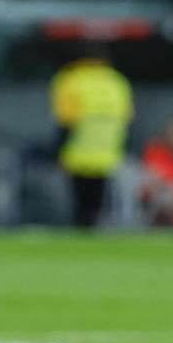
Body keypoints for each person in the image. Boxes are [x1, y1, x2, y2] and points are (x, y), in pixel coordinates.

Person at [50, 53, 134, 228]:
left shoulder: (71, 80)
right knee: (98, 199)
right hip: (107, 153)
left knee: (79, 202)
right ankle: (95, 225)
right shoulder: (117, 82)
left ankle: (82, 227)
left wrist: (58, 152)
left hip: (77, 153)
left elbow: (65, 122)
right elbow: (127, 119)